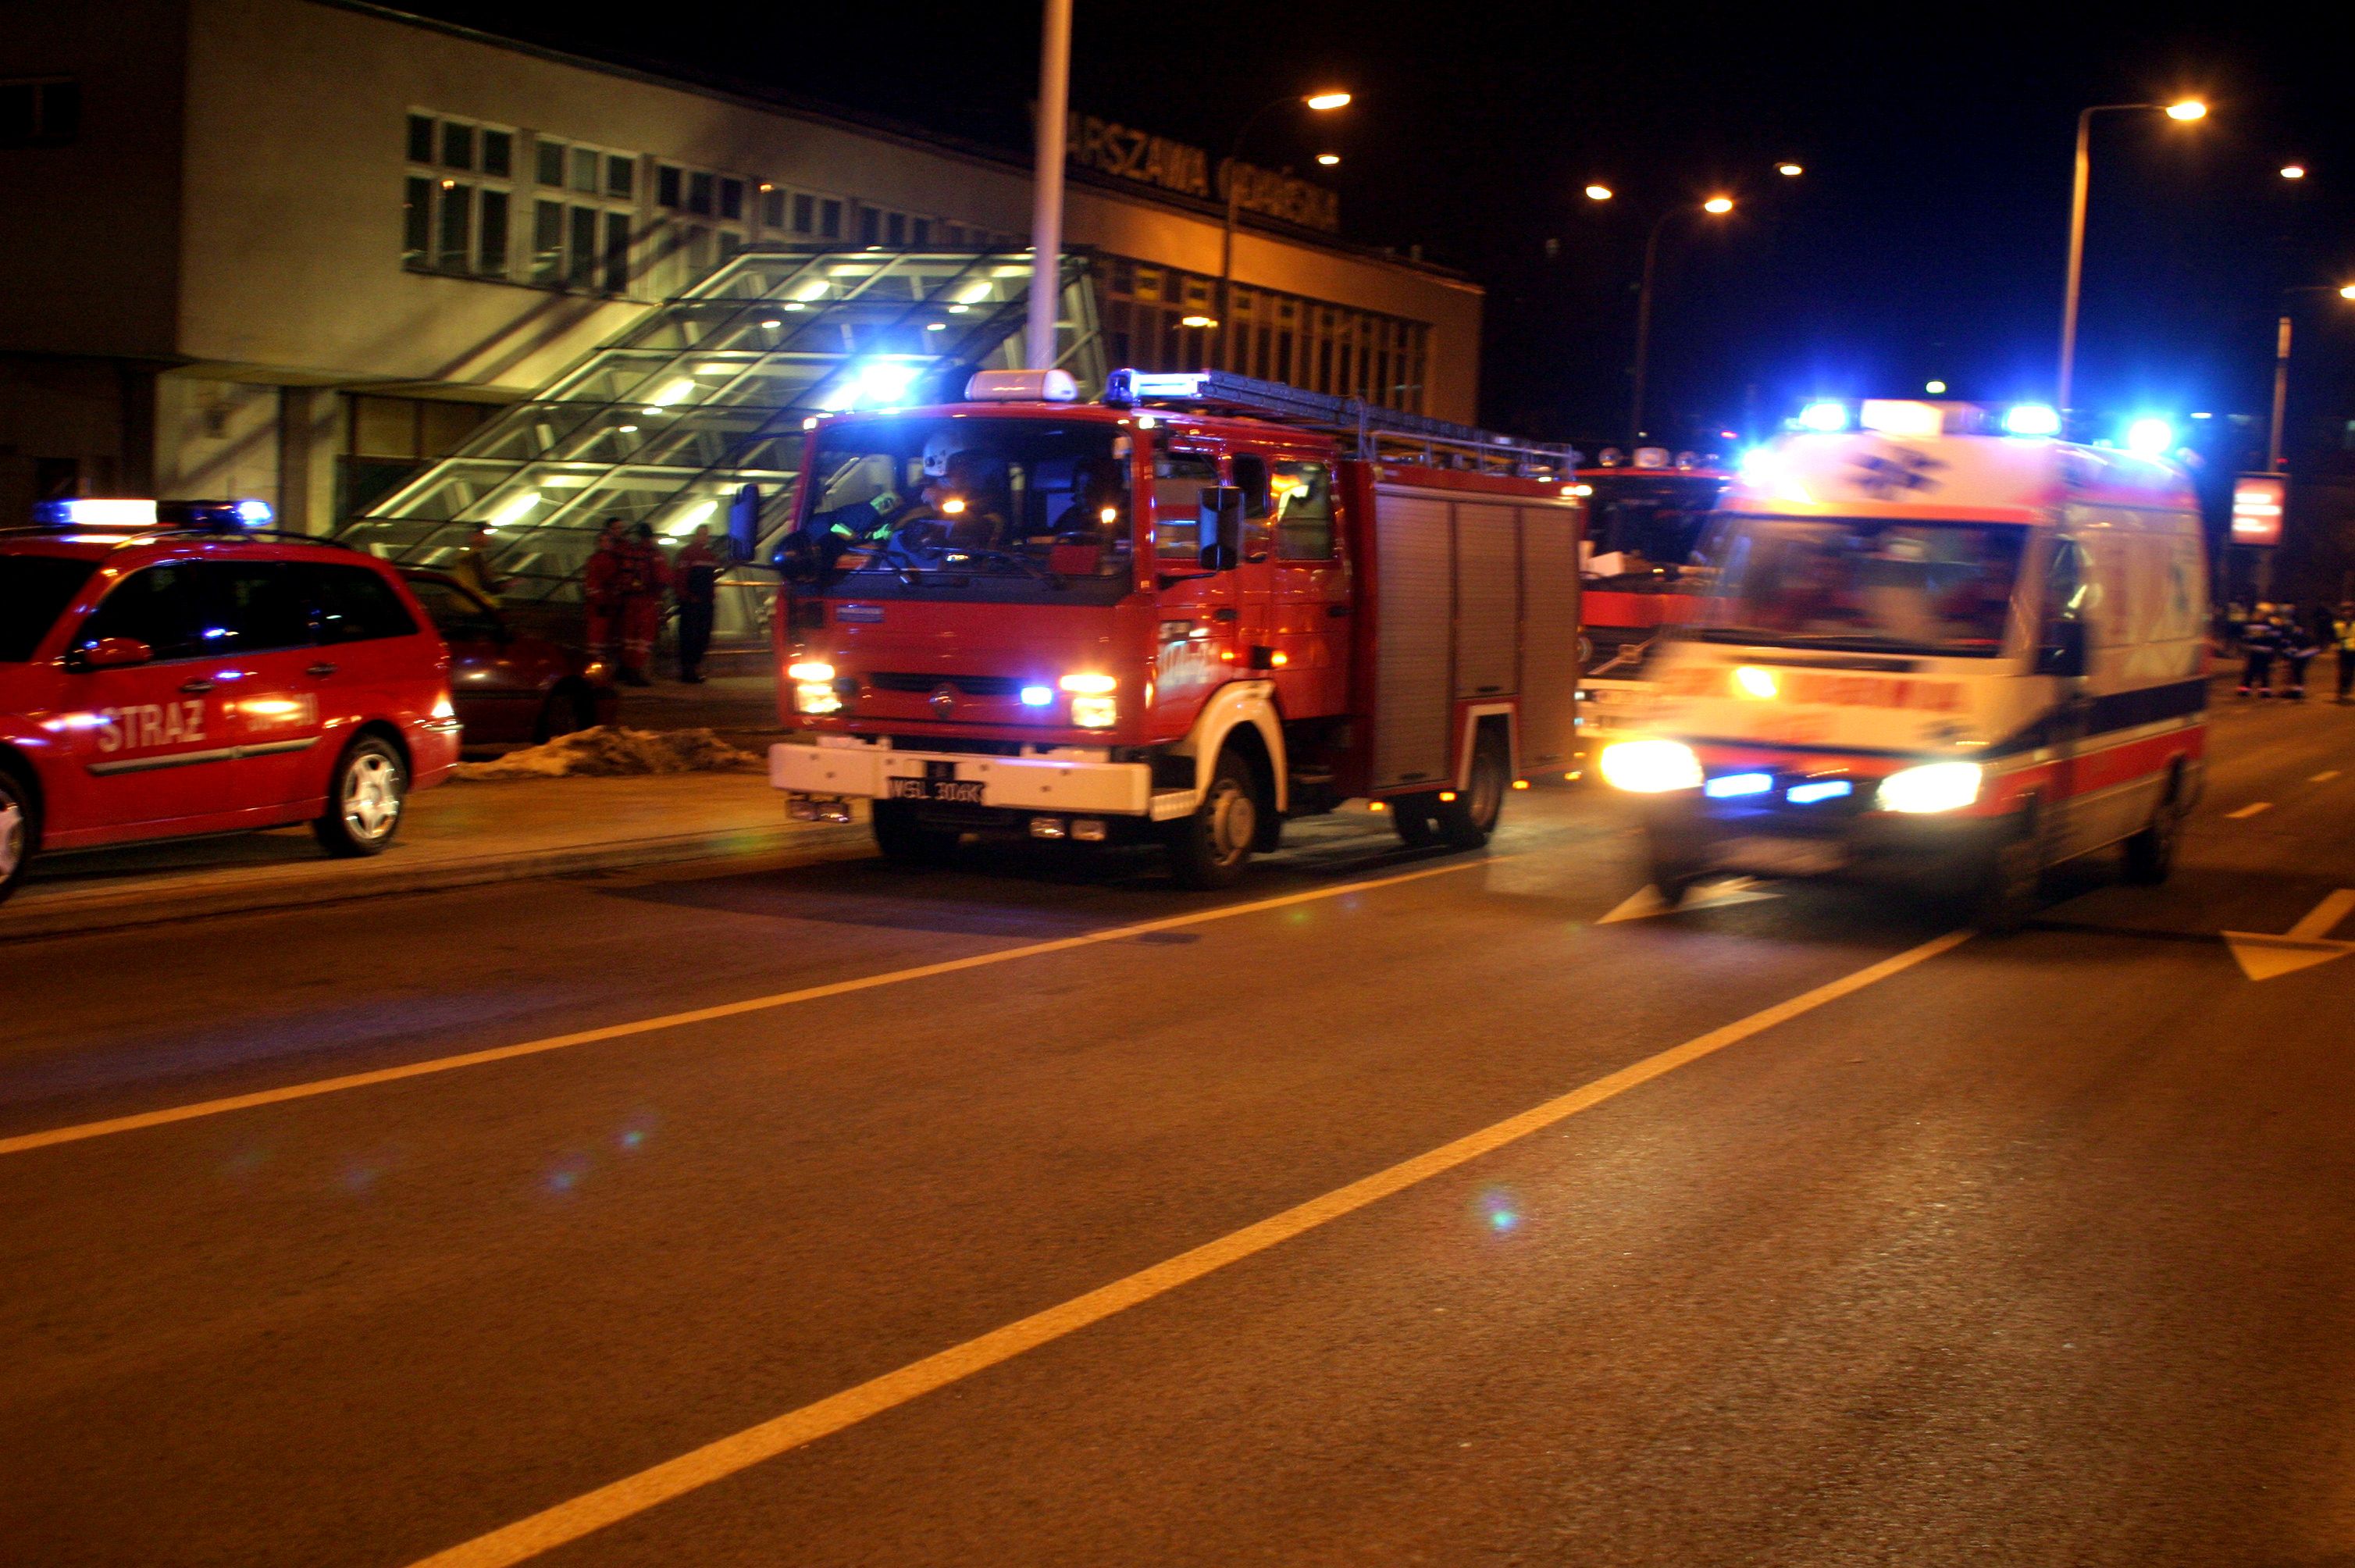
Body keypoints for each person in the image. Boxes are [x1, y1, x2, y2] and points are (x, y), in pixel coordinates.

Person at [614, 522, 670, 686]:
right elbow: (663, 578)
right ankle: (635, 672)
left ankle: (626, 670)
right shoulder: (654, 553)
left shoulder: (630, 551)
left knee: (629, 637)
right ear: (651, 536)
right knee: (644, 639)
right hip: (647, 600)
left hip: (628, 600)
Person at [672, 524, 723, 684]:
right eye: (702, 534)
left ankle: (692, 669)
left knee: (701, 636)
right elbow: (681, 577)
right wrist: (686, 596)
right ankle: (689, 670)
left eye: (706, 535)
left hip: (703, 602)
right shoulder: (690, 554)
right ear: (696, 536)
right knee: (691, 636)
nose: (704, 537)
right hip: (692, 603)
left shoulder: (708, 555)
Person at [583, 519, 629, 674]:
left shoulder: (615, 558)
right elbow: (592, 584)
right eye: (603, 541)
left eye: (608, 541)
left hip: (611, 606)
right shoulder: (596, 560)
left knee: (609, 641)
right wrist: (599, 601)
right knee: (597, 641)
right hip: (600, 608)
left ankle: (606, 671)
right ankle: (594, 673)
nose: (606, 543)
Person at [448, 522, 508, 603]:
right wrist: (508, 585)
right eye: (484, 534)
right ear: (474, 536)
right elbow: (486, 584)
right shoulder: (474, 557)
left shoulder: (464, 555)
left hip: (464, 601)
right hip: (477, 603)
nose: (489, 538)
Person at [2239, 602, 2280, 697]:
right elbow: (2275, 638)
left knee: (2250, 670)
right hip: (2265, 651)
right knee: (2264, 671)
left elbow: (2245, 636)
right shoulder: (2269, 624)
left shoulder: (2250, 623)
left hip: (2253, 650)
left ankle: (2245, 690)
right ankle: (2264, 691)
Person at [2279, 605, 2320, 701]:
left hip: (2303, 650)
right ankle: (2296, 691)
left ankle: (2297, 692)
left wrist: (2287, 656)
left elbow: (2292, 642)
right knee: (2296, 671)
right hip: (2305, 649)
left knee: (2297, 670)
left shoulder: (2291, 626)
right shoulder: (2295, 623)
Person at [2335, 602, 2355, 704]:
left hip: (2353, 650)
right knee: (2343, 672)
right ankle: (2341, 693)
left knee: (2350, 672)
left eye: (2349, 610)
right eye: (2345, 610)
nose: (2347, 613)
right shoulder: (2339, 623)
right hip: (2343, 650)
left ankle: (2346, 691)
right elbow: (2335, 635)